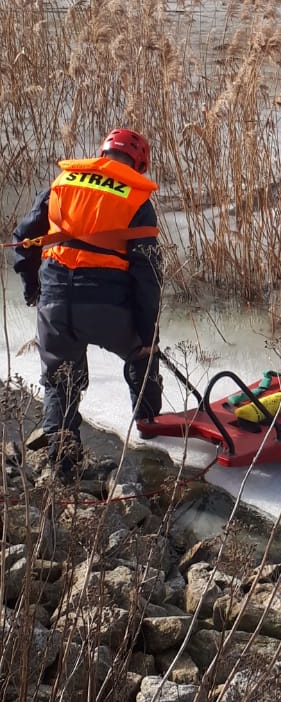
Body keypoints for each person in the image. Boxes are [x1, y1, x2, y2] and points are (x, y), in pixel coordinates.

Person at [13, 128, 163, 479]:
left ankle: (63, 467)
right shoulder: (137, 201)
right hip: (107, 309)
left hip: (54, 302)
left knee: (60, 381)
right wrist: (148, 334)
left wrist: (33, 289)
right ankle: (148, 426)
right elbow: (148, 276)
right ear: (139, 164)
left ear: (101, 153)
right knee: (142, 354)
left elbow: (23, 240)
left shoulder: (62, 183)